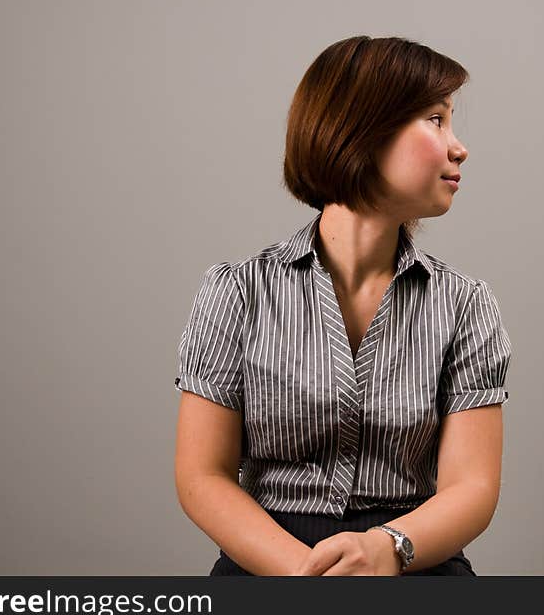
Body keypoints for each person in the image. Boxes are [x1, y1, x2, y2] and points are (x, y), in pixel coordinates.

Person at [173, 35, 513, 576]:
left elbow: (473, 487)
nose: (459, 147)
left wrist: (389, 549)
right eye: (435, 119)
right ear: (364, 130)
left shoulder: (466, 305)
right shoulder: (237, 291)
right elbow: (201, 476)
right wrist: (306, 573)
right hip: (269, 564)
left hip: (413, 561)